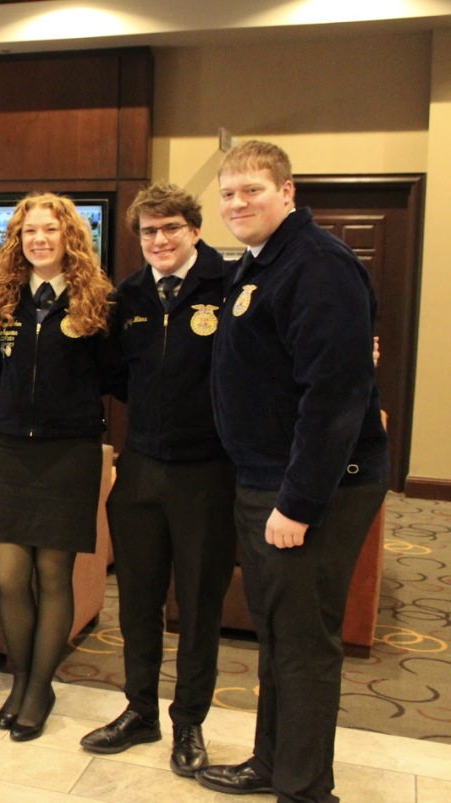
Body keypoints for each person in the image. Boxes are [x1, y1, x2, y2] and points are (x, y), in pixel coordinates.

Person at [196, 141, 389, 802]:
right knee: (278, 633)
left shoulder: (317, 265)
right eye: (227, 193)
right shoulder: (259, 264)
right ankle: (271, 762)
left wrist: (300, 502)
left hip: (308, 489)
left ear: (288, 190)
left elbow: (335, 396)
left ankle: (304, 790)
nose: (236, 204)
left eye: (251, 189)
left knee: (304, 643)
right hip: (265, 478)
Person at [79, 183, 236, 775]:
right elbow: (116, 374)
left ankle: (189, 722)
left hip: (209, 473)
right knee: (137, 601)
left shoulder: (229, 286)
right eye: (148, 231)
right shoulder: (129, 296)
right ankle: (139, 710)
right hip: (141, 467)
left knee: (197, 606)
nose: (160, 240)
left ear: (194, 230)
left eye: (170, 228)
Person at [0, 192, 116, 742]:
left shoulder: (97, 301)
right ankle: (21, 678)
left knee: (54, 576)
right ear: (18, 239)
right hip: (12, 449)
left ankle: (39, 688)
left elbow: (113, 379)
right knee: (10, 575)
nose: (39, 239)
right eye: (29, 231)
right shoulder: (3, 299)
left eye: (50, 230)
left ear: (70, 238)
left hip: (69, 452)